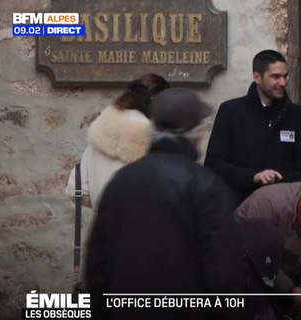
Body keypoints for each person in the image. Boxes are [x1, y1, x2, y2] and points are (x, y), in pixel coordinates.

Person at [86, 88, 247, 320]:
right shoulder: (207, 187)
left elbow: (97, 264)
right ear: (197, 133)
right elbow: (225, 274)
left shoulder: (121, 181)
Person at [65, 74, 169, 284]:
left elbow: (75, 190)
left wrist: (102, 202)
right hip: (146, 247)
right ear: (156, 102)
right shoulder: (156, 139)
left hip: (104, 243)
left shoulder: (98, 136)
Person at [205, 49, 301, 207]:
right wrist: (254, 177)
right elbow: (213, 163)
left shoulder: (297, 116)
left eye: (285, 76)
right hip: (238, 209)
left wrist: (280, 182)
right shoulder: (230, 111)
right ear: (257, 77)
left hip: (284, 210)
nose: (283, 82)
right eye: (276, 77)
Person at [234, 180, 301, 320]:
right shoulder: (268, 203)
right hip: (243, 274)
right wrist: (291, 290)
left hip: (285, 276)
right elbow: (255, 257)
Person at [66, 73, 170, 211]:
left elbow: (74, 189)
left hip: (105, 227)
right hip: (145, 228)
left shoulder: (99, 133)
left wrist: (103, 206)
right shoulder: (154, 137)